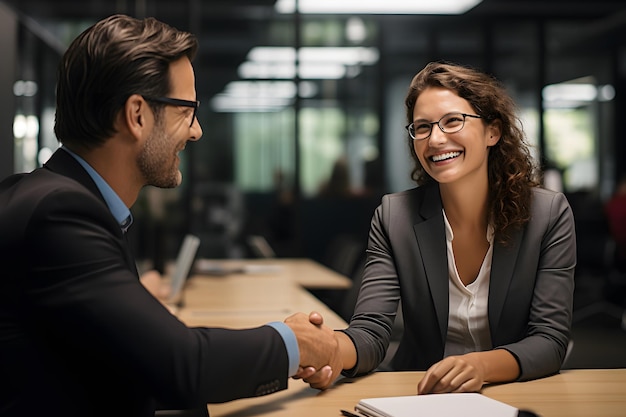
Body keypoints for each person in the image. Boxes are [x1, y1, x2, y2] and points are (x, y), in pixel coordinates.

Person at [0, 14, 338, 417]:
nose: (196, 132)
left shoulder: (44, 194)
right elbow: (183, 366)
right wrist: (294, 341)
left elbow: (113, 357)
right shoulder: (60, 214)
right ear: (137, 115)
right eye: (187, 111)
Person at [297, 61, 576, 394]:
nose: (436, 138)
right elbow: (370, 333)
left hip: (511, 391)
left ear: (493, 131)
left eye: (452, 121)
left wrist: (479, 366)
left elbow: (549, 340)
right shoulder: (395, 216)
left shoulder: (548, 215)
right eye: (423, 127)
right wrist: (328, 350)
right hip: (419, 392)